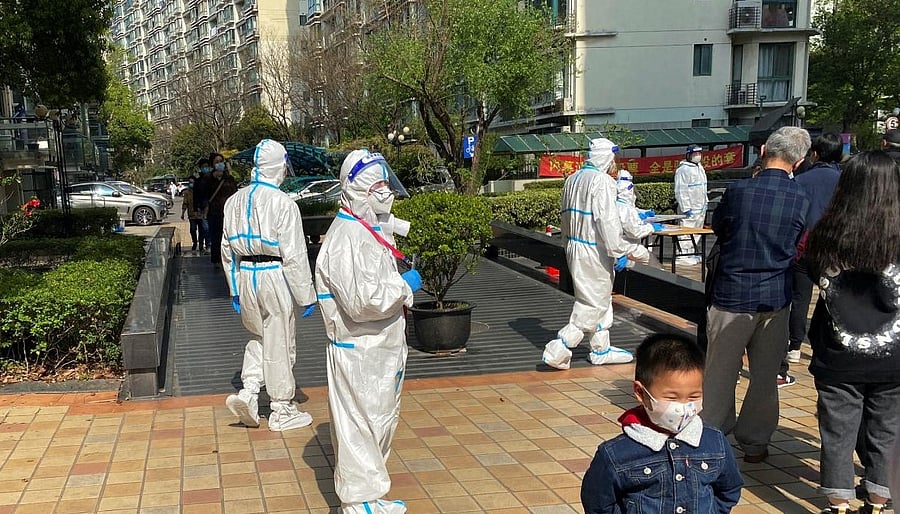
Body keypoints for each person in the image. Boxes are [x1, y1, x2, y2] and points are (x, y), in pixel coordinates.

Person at [314, 149, 420, 514]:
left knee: (377, 420)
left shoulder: (363, 229)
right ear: (356, 190)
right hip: (360, 347)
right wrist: (405, 287)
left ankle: (371, 494)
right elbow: (364, 302)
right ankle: (358, 502)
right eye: (377, 186)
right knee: (360, 424)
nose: (386, 192)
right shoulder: (346, 238)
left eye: (386, 184)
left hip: (378, 346)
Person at [701, 126, 810, 463]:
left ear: (763, 150)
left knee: (720, 372)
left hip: (732, 294)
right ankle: (756, 442)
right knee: (764, 376)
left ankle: (713, 437)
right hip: (776, 298)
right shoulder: (801, 200)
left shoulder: (738, 191)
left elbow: (720, 227)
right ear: (800, 161)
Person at [804, 151, 900, 514]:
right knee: (888, 431)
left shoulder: (824, 236)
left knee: (837, 432)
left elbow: (812, 273)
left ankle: (838, 500)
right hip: (894, 357)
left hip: (837, 354)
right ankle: (878, 498)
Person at [581, 333, 743, 514]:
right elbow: (598, 503)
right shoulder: (615, 454)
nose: (683, 407)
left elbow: (729, 488)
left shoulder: (715, 442)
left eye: (694, 396)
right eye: (671, 398)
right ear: (640, 393)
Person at [221, 139, 318, 432]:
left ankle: (249, 392)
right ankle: (282, 407)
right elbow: (295, 255)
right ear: (279, 167)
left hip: (245, 274)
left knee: (259, 337)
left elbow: (226, 249)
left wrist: (234, 287)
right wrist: (306, 294)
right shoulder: (283, 203)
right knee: (280, 341)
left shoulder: (234, 201)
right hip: (273, 274)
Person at [541, 138, 650, 370]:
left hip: (575, 246)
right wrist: (620, 250)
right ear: (607, 157)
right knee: (592, 303)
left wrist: (567, 244)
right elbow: (607, 222)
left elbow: (565, 217)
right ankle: (560, 347)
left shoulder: (572, 179)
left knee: (599, 299)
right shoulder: (602, 182)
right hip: (594, 250)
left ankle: (601, 349)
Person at [780, 133, 842, 381]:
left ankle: (794, 347)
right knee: (833, 297)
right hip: (833, 248)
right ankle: (829, 343)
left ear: (814, 154)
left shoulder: (800, 181)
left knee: (799, 297)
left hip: (803, 247)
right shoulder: (844, 181)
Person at [615, 170, 663, 268]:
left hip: (618, 247)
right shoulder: (625, 209)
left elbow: (631, 210)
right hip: (628, 247)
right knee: (654, 265)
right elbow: (634, 232)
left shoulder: (615, 204)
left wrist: (643, 213)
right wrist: (651, 228)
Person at [673, 144, 708, 266]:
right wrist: (686, 207)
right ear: (688, 155)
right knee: (686, 231)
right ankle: (682, 255)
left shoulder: (699, 167)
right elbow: (680, 190)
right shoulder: (683, 169)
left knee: (696, 231)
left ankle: (691, 252)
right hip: (690, 207)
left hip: (700, 206)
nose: (698, 156)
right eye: (695, 154)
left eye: (699, 153)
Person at [206, 152, 237, 266]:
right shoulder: (208, 179)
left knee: (230, 236)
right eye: (217, 162)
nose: (220, 164)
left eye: (221, 161)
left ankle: (230, 258)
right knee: (216, 237)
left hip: (228, 213)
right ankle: (217, 260)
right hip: (214, 213)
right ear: (212, 165)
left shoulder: (229, 178)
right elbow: (204, 194)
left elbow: (235, 193)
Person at [180, 176, 203, 254]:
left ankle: (201, 244)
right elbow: (185, 203)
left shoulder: (200, 191)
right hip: (192, 215)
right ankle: (195, 242)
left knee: (202, 230)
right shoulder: (187, 192)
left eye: (192, 182)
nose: (191, 184)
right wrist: (183, 213)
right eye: (190, 182)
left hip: (200, 214)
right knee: (193, 229)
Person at [194, 157, 213, 254]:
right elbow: (195, 196)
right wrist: (196, 209)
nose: (206, 168)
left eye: (207, 166)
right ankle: (208, 245)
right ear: (200, 168)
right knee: (205, 228)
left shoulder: (214, 179)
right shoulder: (198, 181)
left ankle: (214, 245)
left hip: (214, 208)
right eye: (203, 167)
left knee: (214, 227)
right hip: (203, 208)